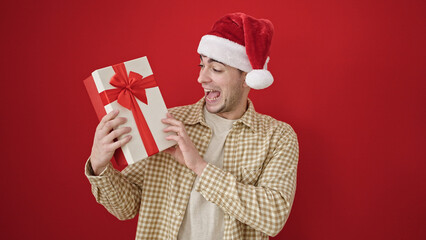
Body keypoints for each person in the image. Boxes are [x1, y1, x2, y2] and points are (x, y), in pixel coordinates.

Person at [85, 12, 299, 240]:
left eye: (216, 69)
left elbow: (273, 217)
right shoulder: (169, 124)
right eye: (201, 65)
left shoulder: (277, 136)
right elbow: (127, 207)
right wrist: (100, 167)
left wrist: (199, 166)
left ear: (246, 77)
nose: (202, 78)